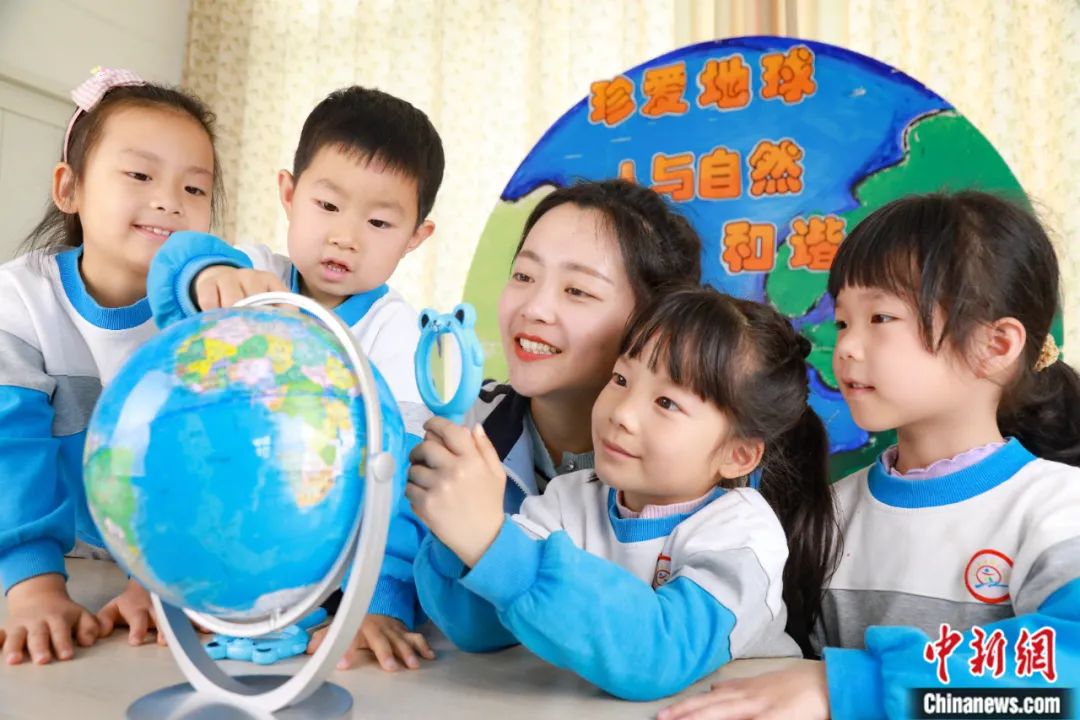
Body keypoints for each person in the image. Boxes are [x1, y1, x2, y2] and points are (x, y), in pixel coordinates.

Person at [661, 192, 1080, 719]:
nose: (846, 347)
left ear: (993, 346)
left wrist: (852, 686)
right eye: (842, 322)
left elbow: (1066, 677)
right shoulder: (830, 510)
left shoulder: (1058, 510)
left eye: (880, 317)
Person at [408, 286, 839, 700]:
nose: (623, 413)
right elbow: (480, 629)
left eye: (667, 403)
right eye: (620, 378)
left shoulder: (742, 537)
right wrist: (457, 539)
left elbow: (658, 654)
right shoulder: (567, 499)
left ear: (737, 455)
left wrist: (492, 542)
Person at [148, 84, 444, 672]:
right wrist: (208, 276)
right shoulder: (254, 273)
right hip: (226, 550)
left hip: (335, 569)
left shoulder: (395, 334)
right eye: (327, 206)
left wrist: (379, 602)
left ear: (416, 237)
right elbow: (176, 263)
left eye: (379, 221)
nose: (345, 237)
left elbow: (400, 482)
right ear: (289, 193)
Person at [0, 68, 221, 665]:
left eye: (194, 188)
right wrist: (35, 589)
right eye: (140, 175)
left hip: (165, 558)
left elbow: (207, 460)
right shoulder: (18, 302)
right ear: (68, 188)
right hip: (49, 550)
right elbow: (9, 449)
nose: (169, 201)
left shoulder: (208, 314)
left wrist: (160, 578)